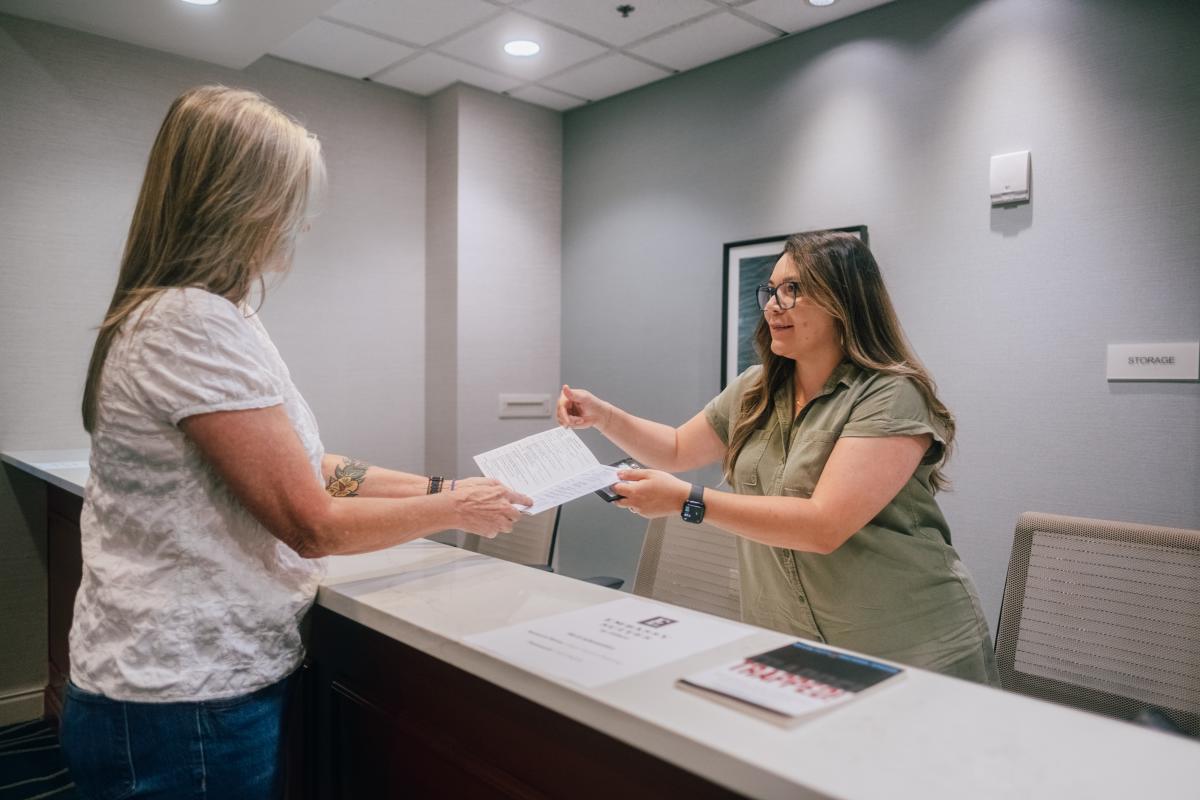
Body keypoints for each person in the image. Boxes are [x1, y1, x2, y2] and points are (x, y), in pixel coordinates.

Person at [61, 85, 532, 799]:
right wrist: (457, 510)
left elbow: (315, 468)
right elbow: (310, 522)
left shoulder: (225, 315)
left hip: (197, 689)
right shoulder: (188, 321)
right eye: (289, 202)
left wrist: (438, 486)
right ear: (238, 201)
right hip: (180, 700)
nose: (297, 227)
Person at [557, 231, 998, 684]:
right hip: (789, 639)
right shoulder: (755, 387)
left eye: (793, 290)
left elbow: (823, 525)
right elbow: (673, 448)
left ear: (843, 301)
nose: (772, 304)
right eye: (771, 290)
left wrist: (688, 501)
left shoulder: (890, 395)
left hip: (908, 643)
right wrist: (603, 415)